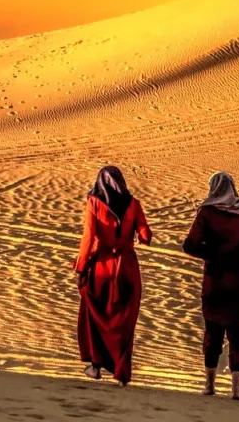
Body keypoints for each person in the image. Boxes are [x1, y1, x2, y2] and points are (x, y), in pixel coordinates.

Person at [181, 172, 239, 400]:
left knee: (213, 331)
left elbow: (190, 244)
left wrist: (212, 254)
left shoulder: (206, 212)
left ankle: (210, 385)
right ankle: (237, 388)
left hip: (216, 280)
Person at [75, 165, 153, 387]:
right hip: (127, 268)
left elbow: (89, 239)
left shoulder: (94, 203)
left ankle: (95, 366)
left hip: (102, 267)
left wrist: (81, 268)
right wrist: (142, 237)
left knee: (95, 316)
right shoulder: (134, 204)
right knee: (125, 322)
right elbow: (146, 233)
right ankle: (122, 373)